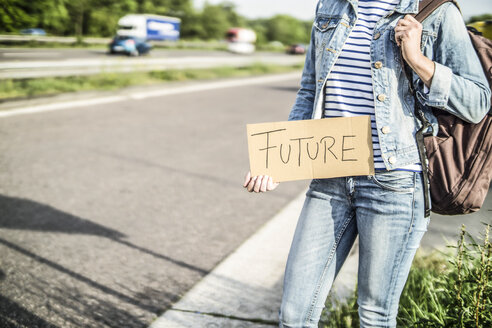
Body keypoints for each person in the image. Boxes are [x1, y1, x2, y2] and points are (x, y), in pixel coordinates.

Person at [243, 0, 491, 327]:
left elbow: (477, 102)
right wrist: (276, 160)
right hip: (331, 178)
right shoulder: (331, 6)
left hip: (395, 183)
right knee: (294, 314)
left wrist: (417, 60)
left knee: (374, 317)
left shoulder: (435, 10)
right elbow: (309, 90)